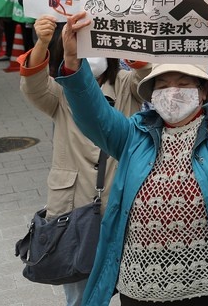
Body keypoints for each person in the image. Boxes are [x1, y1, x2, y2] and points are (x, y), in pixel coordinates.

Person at [56, 10, 208, 306]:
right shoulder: (132, 133)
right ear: (151, 92)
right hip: (138, 285)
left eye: (184, 83)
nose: (172, 92)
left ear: (202, 92)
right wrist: (72, 62)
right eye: (162, 84)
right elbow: (92, 116)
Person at [18, 15, 151, 306]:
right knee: (81, 292)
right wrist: (41, 42)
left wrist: (132, 47)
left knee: (135, 285)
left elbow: (151, 78)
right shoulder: (62, 92)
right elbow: (33, 86)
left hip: (124, 201)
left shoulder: (126, 84)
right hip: (75, 205)